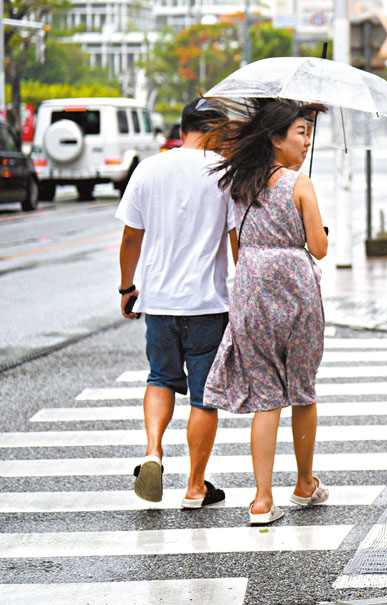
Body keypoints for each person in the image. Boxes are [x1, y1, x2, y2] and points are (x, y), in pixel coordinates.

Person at [202, 98, 330, 526]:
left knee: (266, 397)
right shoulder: (300, 184)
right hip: (295, 285)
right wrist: (318, 227)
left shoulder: (240, 182)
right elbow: (319, 248)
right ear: (277, 139)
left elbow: (238, 242)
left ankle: (261, 500)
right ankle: (305, 483)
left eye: (309, 133)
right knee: (302, 388)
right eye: (300, 133)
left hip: (251, 285)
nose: (307, 141)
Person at [116, 99, 237, 507]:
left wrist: (126, 287)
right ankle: (195, 487)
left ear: (184, 127)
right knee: (204, 397)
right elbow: (237, 242)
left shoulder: (149, 168)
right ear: (216, 129)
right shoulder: (225, 174)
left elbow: (131, 237)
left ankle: (153, 451)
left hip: (159, 303)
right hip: (207, 304)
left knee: (160, 378)